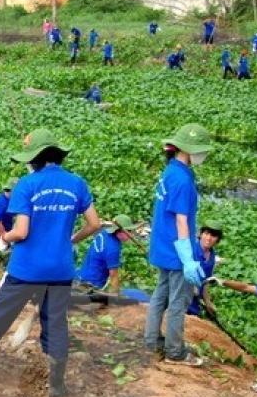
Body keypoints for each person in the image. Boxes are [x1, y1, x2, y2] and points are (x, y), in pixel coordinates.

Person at [0, 128, 100, 397]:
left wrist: (6, 237)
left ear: (35, 159)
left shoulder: (26, 185)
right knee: (55, 323)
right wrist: (71, 239)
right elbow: (95, 224)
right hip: (60, 269)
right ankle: (56, 387)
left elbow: (21, 231)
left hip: (26, 269)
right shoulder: (76, 183)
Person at [145, 123, 215, 367]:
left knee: (160, 295)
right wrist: (187, 257)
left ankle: (152, 340)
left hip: (162, 246)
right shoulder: (182, 179)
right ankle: (175, 352)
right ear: (187, 149)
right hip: (176, 250)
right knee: (178, 301)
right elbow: (181, 220)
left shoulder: (170, 171)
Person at [76, 214, 138, 295]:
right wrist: (116, 294)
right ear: (118, 230)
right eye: (128, 231)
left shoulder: (104, 233)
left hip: (83, 275)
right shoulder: (112, 248)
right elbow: (114, 275)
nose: (131, 234)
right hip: (93, 283)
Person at [186, 221, 223, 317]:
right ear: (201, 234)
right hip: (182, 295)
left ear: (217, 239)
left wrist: (208, 302)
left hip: (195, 299)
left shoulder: (211, 255)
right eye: (206, 234)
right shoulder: (191, 251)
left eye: (213, 236)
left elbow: (206, 281)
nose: (209, 238)